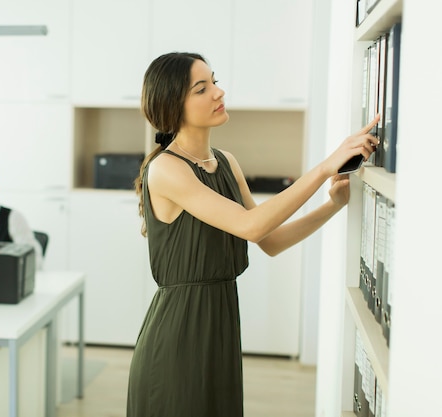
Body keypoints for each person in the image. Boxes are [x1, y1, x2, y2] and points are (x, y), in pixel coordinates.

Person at [126, 52, 380, 417]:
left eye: (214, 81)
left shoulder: (226, 162)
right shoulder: (166, 168)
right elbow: (252, 225)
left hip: (221, 329)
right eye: (203, 88)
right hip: (178, 337)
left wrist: (332, 206)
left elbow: (270, 240)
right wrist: (325, 166)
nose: (218, 92)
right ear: (173, 105)